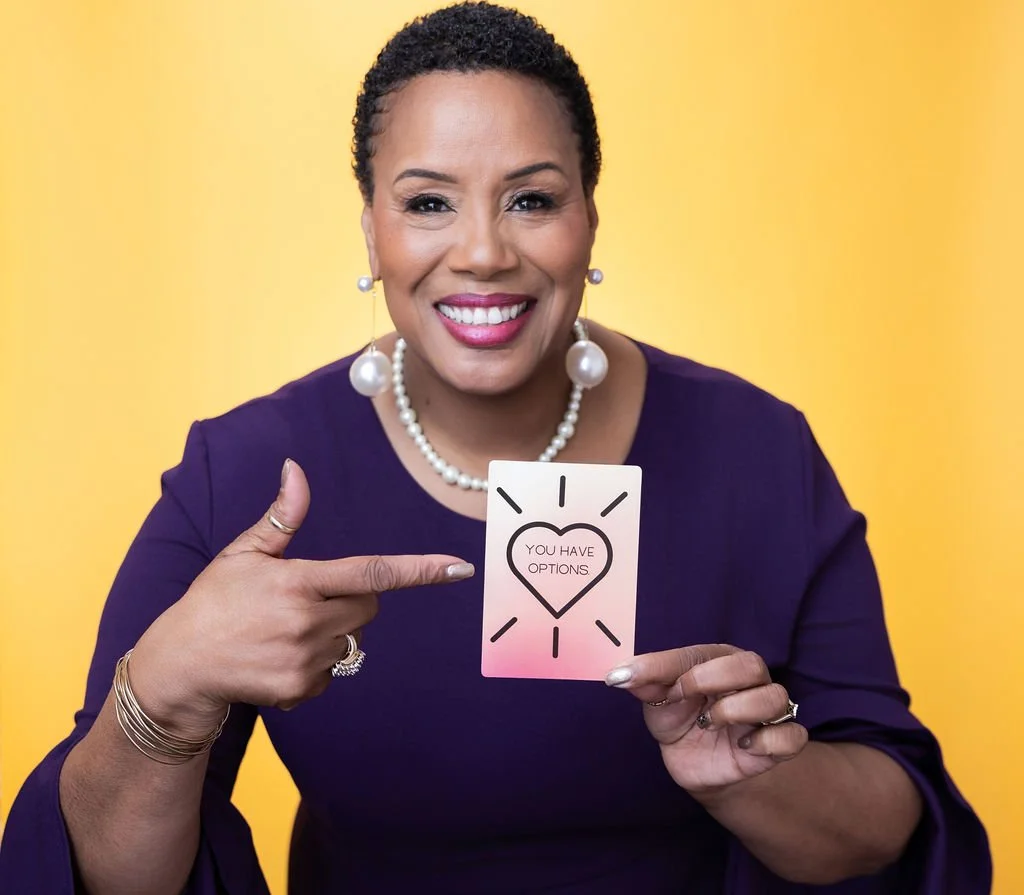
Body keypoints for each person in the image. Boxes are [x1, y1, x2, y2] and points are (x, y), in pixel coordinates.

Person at [0, 3, 991, 893]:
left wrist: (761, 781)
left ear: (588, 217)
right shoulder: (247, 473)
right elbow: (103, 876)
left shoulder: (756, 451)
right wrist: (162, 702)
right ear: (372, 231)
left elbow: (885, 827)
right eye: (427, 200)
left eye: (531, 197)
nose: (480, 250)